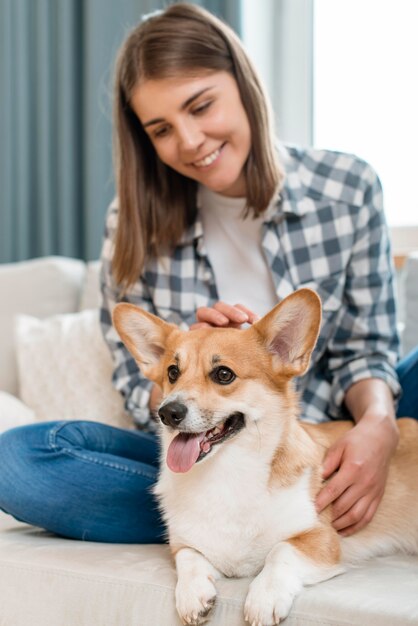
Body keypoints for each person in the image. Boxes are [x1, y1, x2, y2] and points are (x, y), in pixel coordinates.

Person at [0, 3, 417, 545]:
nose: (191, 140)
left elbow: (366, 351)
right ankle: (233, 523)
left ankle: (299, 502)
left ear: (243, 85)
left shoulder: (348, 186)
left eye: (201, 106)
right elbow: (139, 387)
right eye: (162, 128)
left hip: (324, 435)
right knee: (18, 460)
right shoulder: (131, 225)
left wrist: (376, 430)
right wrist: (183, 360)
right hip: (200, 455)